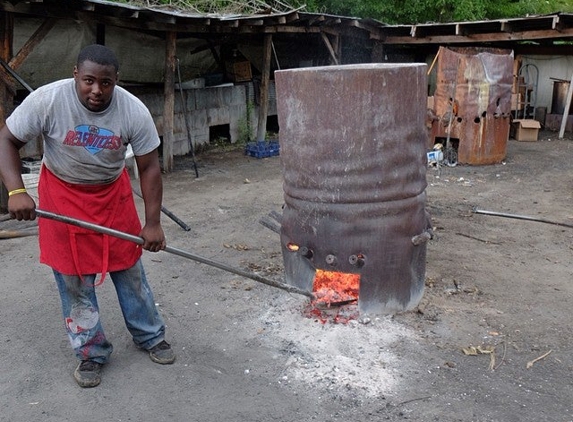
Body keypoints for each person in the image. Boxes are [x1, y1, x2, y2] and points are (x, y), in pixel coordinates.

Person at [0, 44, 175, 388]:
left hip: (112, 194)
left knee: (129, 270)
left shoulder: (132, 110)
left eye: (106, 83)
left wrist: (153, 222)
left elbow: (150, 166)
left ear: (116, 81)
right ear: (76, 75)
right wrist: (16, 191)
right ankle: (91, 352)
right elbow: (6, 140)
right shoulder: (48, 100)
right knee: (73, 278)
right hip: (62, 195)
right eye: (89, 81)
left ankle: (150, 335)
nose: (97, 91)